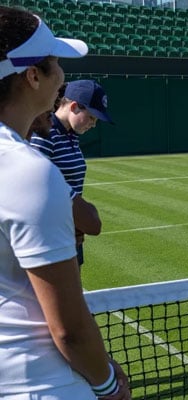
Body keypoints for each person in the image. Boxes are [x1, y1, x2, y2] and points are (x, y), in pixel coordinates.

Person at [0, 6, 130, 399]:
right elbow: (69, 330)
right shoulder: (29, 171)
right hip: (38, 382)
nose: (62, 76)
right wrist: (108, 384)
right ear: (33, 75)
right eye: (55, 63)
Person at [30, 79, 111, 266]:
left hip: (69, 231)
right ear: (74, 106)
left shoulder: (71, 135)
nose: (93, 124)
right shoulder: (45, 133)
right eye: (91, 117)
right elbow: (35, 184)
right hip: (49, 236)